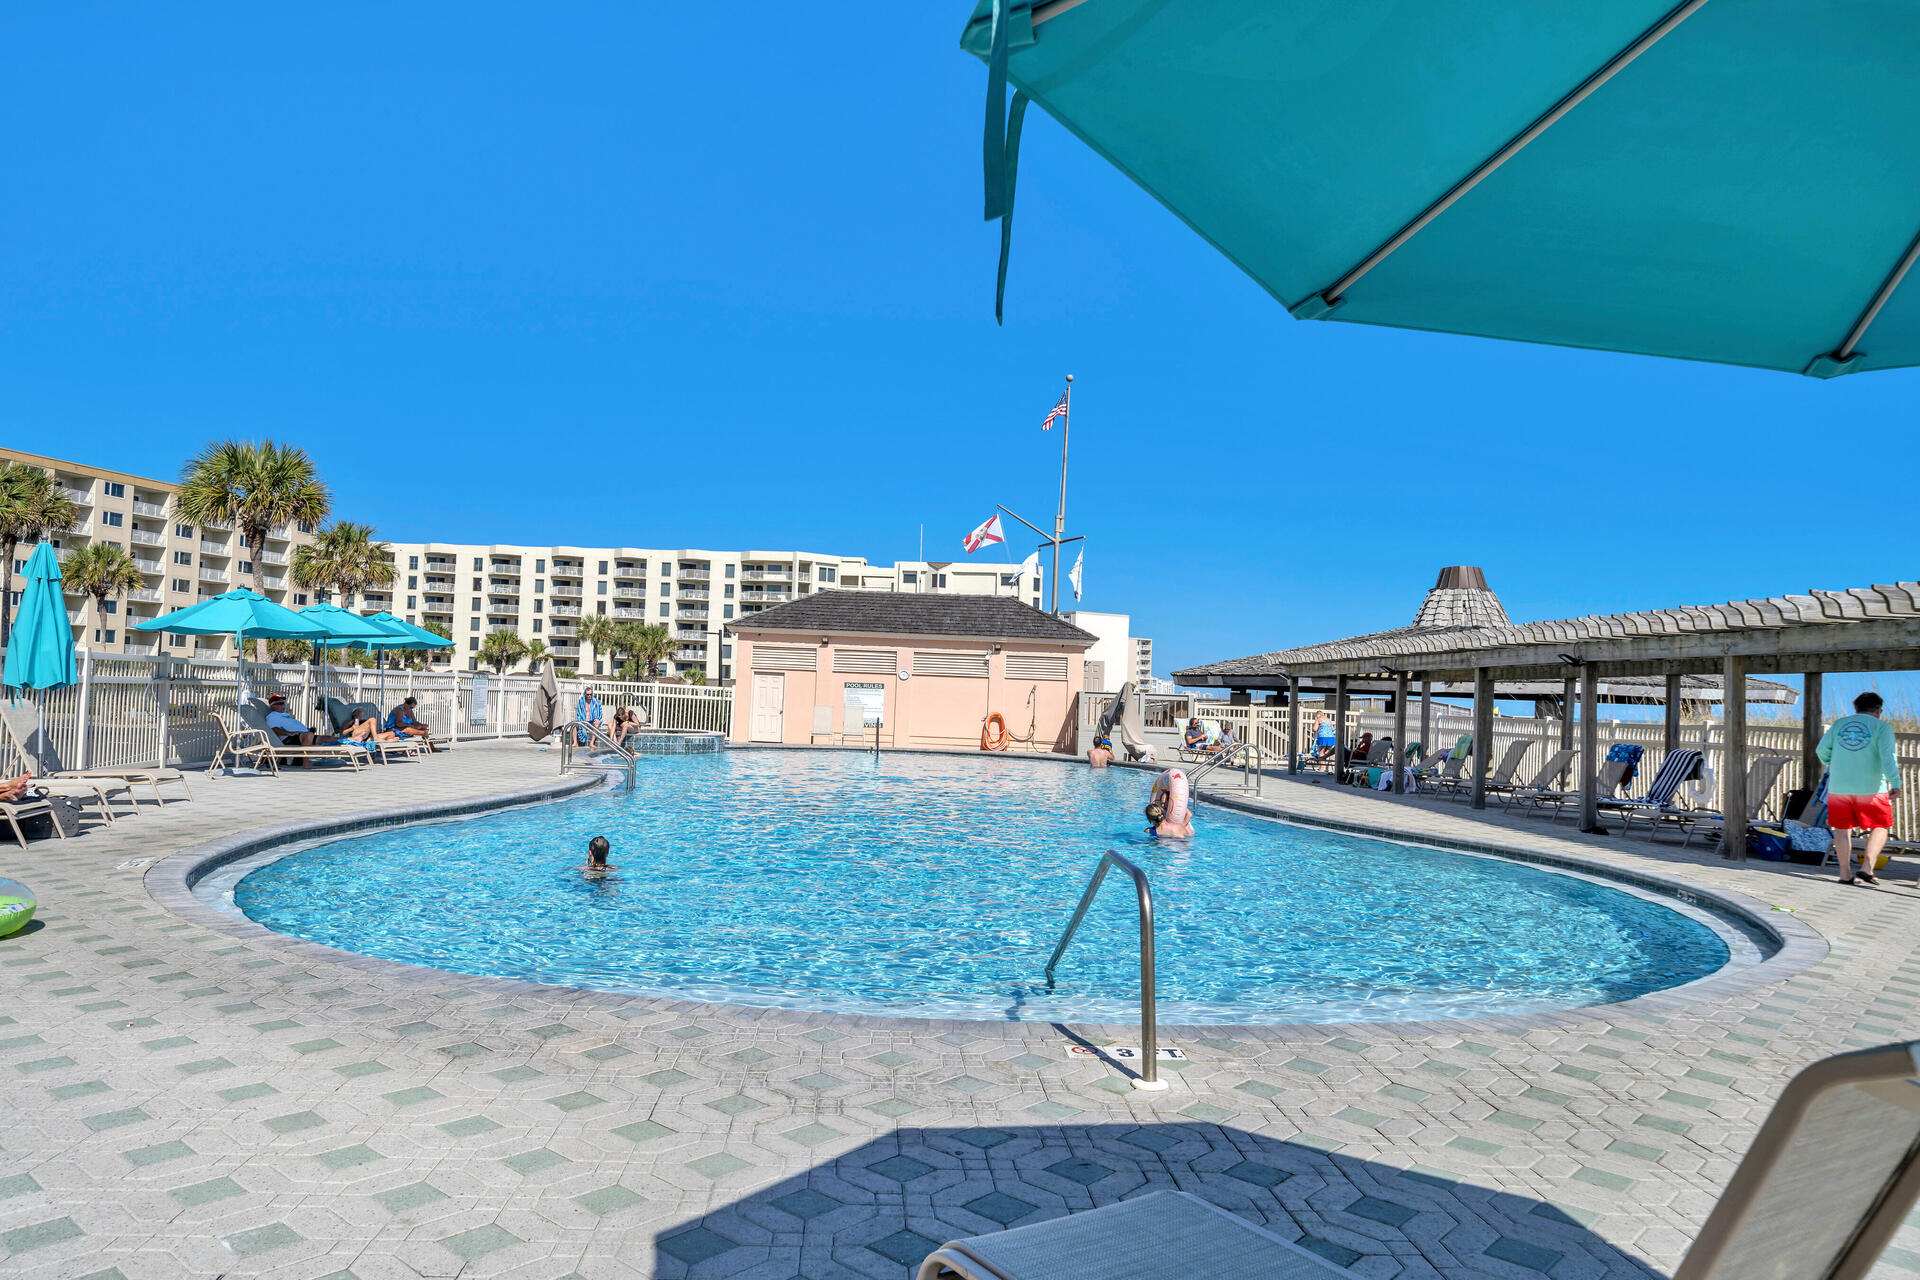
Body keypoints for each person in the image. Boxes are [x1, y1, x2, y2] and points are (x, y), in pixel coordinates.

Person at [1818, 691, 1903, 886]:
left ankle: (1844, 874)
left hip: (1839, 786)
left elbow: (1821, 750)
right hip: (1871, 788)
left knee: (1842, 829)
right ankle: (1867, 868)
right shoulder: (1882, 727)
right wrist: (1895, 783)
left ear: (1856, 708)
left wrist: (1832, 761)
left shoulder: (1839, 724)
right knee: (1880, 826)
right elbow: (1888, 758)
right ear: (1878, 710)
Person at [264, 694, 339, 763]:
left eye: (283, 703)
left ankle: (345, 742)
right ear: (272, 706)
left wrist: (307, 730)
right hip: (289, 738)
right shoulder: (272, 716)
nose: (283, 705)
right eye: (280, 703)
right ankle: (306, 763)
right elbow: (274, 729)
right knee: (309, 735)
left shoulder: (285, 715)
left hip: (301, 736)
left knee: (329, 738)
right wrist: (289, 733)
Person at [1147, 767, 1194, 838]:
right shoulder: (1163, 811)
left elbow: (1189, 815)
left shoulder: (1177, 810)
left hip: (1181, 829)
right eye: (1161, 803)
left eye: (1164, 803)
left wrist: (1183, 825)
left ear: (1170, 801)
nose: (1162, 805)